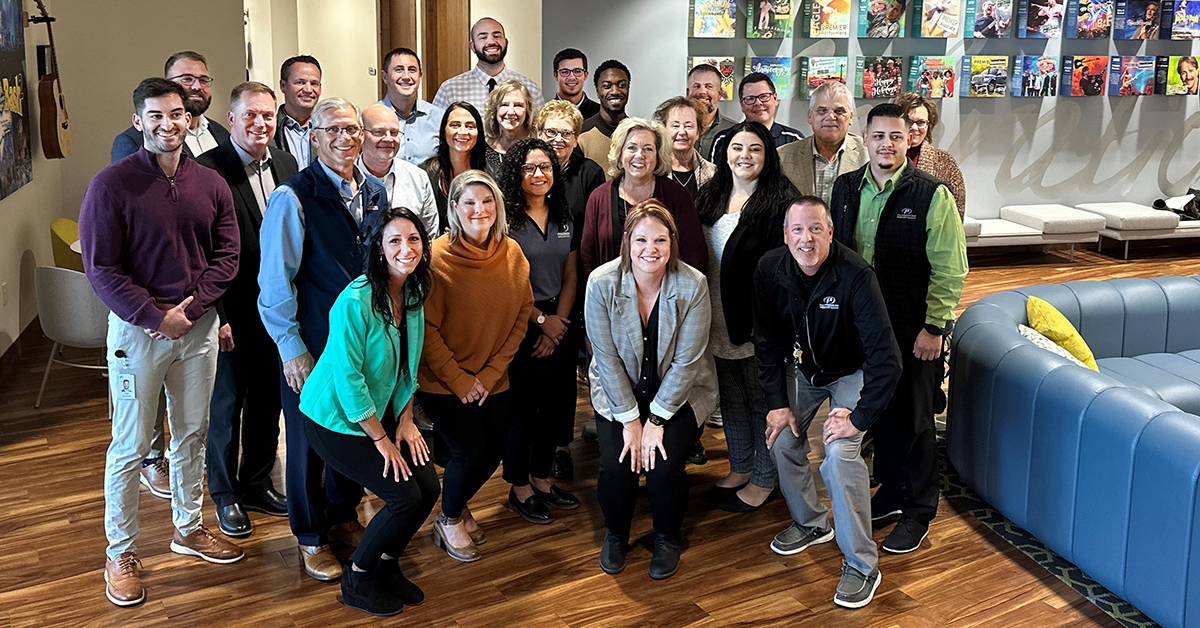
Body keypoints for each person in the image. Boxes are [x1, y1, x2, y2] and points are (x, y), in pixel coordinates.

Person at [81, 78, 243, 607]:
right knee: (130, 446)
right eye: (155, 115)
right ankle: (121, 552)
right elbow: (101, 267)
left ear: (189, 119)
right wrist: (154, 316)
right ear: (138, 122)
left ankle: (188, 528)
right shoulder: (111, 185)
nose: (167, 124)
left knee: (193, 434)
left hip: (197, 331)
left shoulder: (211, 184)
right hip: (137, 333)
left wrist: (190, 313)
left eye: (175, 114)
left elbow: (227, 257)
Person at [828, 103, 967, 555]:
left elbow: (950, 268)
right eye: (878, 136)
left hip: (914, 329)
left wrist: (934, 328)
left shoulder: (932, 194)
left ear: (909, 140)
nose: (886, 144)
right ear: (864, 140)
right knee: (880, 412)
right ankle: (891, 492)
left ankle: (919, 509)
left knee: (916, 418)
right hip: (864, 329)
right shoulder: (845, 188)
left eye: (895, 136)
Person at [259, 97, 386, 582]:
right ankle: (311, 535)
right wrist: (291, 348)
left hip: (361, 343)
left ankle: (341, 515)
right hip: (311, 342)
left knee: (352, 433)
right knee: (308, 442)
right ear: (313, 138)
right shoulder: (292, 198)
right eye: (332, 129)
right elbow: (275, 284)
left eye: (352, 129)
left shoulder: (373, 192)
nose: (344, 138)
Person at [754, 196, 901, 609]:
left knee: (838, 455)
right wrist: (776, 403)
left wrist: (858, 418)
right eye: (798, 230)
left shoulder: (856, 275)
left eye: (816, 229)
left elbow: (887, 361)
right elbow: (766, 343)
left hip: (852, 373)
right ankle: (812, 523)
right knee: (782, 438)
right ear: (786, 235)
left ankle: (862, 564)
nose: (807, 239)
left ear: (831, 233)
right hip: (803, 369)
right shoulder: (769, 269)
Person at [299, 207, 440, 616]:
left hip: (381, 412)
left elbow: (409, 363)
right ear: (379, 249)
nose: (406, 248)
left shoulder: (413, 291)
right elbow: (349, 380)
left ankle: (386, 564)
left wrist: (407, 421)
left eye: (413, 239)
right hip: (334, 419)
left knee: (428, 489)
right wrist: (382, 439)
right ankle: (358, 579)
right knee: (402, 497)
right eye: (394, 240)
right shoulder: (354, 300)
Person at [585, 200, 718, 580]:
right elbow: (606, 359)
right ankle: (616, 534)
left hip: (680, 393)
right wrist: (631, 421)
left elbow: (687, 364)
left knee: (663, 466)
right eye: (641, 239)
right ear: (627, 241)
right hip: (618, 391)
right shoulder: (601, 282)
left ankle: (667, 536)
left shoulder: (693, 284)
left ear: (672, 242)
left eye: (660, 240)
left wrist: (656, 421)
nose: (651, 249)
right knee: (618, 465)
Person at [196, 82, 298, 538]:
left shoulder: (286, 163)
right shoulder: (206, 170)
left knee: (268, 398)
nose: (260, 123)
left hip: (276, 308)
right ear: (231, 120)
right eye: (250, 115)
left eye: (268, 115)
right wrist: (217, 315)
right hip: (231, 311)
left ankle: (256, 481)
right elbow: (201, 252)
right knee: (227, 403)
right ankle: (224, 492)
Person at [418, 170, 533, 562]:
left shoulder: (512, 253)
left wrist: (488, 375)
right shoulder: (435, 258)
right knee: (467, 452)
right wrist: (460, 380)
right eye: (469, 202)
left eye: (487, 202)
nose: (479, 210)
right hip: (441, 380)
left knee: (494, 451)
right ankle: (449, 518)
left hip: (491, 377)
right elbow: (426, 329)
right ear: (454, 207)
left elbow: (522, 316)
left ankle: (458, 502)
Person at [695, 120, 798, 512]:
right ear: (725, 153)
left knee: (762, 401)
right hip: (716, 318)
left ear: (768, 154)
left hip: (758, 324)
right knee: (731, 398)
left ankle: (764, 479)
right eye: (737, 147)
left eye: (755, 148)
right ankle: (740, 467)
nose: (745, 156)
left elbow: (785, 273)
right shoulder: (712, 194)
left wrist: (770, 324)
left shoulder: (780, 201)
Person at [497, 138, 582, 524]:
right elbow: (504, 283)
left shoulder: (564, 216)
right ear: (516, 174)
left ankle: (541, 477)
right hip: (522, 322)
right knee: (523, 409)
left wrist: (557, 326)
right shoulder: (505, 221)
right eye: (529, 167)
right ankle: (519, 485)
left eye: (545, 167)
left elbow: (570, 273)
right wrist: (541, 323)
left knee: (555, 406)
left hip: (559, 322)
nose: (538, 174)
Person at [534, 99, 605, 478]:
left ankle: (561, 447)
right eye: (550, 131)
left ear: (577, 138)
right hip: (533, 293)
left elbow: (590, 235)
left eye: (566, 133)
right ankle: (532, 452)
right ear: (538, 132)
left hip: (575, 285)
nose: (558, 139)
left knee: (564, 379)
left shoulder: (590, 173)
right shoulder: (527, 169)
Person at [581, 117, 708, 281]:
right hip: (610, 293)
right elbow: (587, 259)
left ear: (658, 156)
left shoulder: (677, 196)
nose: (639, 155)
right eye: (631, 148)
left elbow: (695, 256)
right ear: (620, 153)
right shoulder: (598, 197)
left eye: (648, 149)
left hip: (667, 293)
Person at [112, 51, 230, 162]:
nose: (197, 86)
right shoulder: (132, 141)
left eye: (203, 80)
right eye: (187, 79)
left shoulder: (222, 133)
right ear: (168, 84)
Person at [358, 103, 440, 239]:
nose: (388, 139)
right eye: (379, 132)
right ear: (361, 134)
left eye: (394, 133)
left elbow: (429, 236)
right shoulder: (345, 178)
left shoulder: (417, 177)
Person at [432, 17, 544, 113]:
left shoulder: (530, 89)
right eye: (483, 37)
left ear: (506, 43)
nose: (491, 42)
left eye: (497, 36)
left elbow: (539, 130)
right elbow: (436, 129)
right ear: (472, 46)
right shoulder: (450, 90)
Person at [779, 81, 868, 202]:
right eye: (822, 110)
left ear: (851, 117)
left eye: (839, 111)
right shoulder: (782, 157)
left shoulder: (868, 155)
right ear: (810, 116)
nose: (830, 117)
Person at [893, 93, 967, 219]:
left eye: (921, 122)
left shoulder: (945, 162)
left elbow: (956, 215)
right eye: (909, 122)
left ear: (929, 125)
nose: (914, 128)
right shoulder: (883, 156)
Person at [423, 102, 489, 232]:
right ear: (444, 131)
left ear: (479, 132)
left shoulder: (492, 175)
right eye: (455, 125)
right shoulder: (425, 173)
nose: (463, 132)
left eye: (470, 126)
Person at [710, 73, 803, 162]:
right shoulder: (723, 139)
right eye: (750, 99)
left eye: (764, 96)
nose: (758, 103)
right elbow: (716, 173)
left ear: (775, 99)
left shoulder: (794, 140)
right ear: (742, 105)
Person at [378, 47, 446, 167]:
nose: (406, 76)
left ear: (420, 76)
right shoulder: (368, 119)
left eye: (412, 70)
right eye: (399, 70)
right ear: (385, 77)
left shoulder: (439, 118)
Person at [653, 96, 716, 198]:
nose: (682, 132)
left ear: (698, 133)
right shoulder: (653, 170)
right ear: (664, 131)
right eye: (675, 126)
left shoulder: (712, 173)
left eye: (688, 126)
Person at [578, 59, 631, 176]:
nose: (615, 91)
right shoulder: (581, 133)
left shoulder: (637, 133)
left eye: (622, 85)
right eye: (607, 86)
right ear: (597, 92)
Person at [274, 55, 323, 165]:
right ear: (283, 86)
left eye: (314, 84)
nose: (308, 90)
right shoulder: (269, 130)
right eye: (300, 82)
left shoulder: (329, 129)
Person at [484, 80, 536, 171]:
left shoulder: (536, 146)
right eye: (504, 105)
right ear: (494, 110)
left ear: (528, 110)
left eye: (518, 105)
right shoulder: (482, 148)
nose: (511, 112)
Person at [688, 64, 736, 159]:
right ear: (687, 92)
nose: (702, 92)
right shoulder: (672, 131)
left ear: (719, 94)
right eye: (696, 86)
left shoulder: (734, 131)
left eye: (709, 86)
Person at [552, 48, 600, 119]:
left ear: (585, 75)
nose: (572, 77)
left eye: (577, 71)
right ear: (556, 76)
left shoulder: (600, 114)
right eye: (565, 72)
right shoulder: (545, 114)